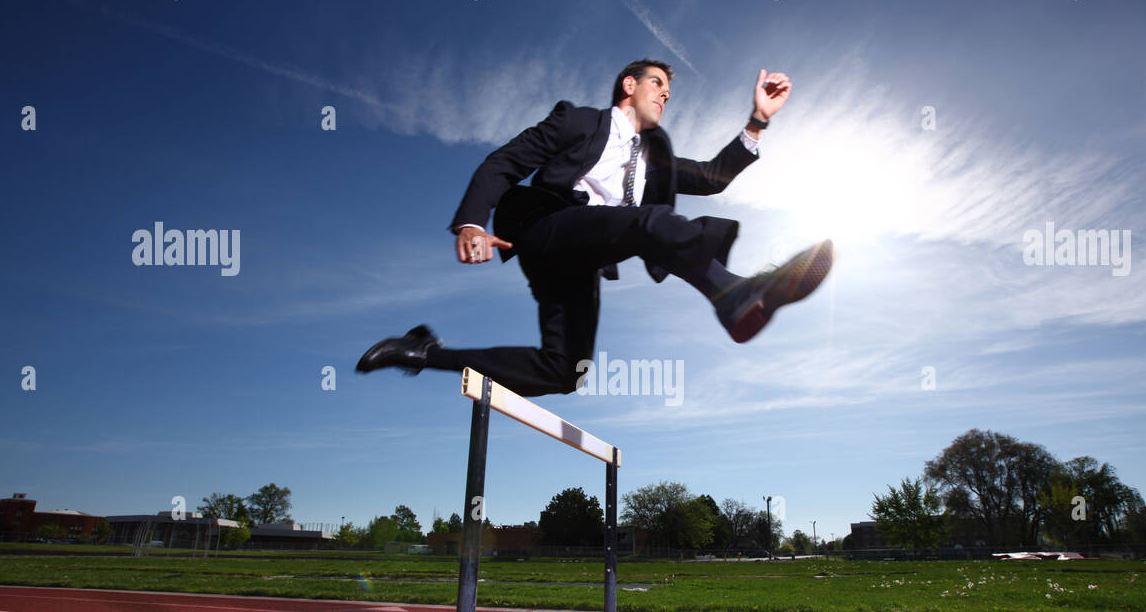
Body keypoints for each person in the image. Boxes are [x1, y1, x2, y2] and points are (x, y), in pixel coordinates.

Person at [357, 59, 833, 397]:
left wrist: (758, 121)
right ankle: (734, 292)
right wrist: (470, 224)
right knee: (651, 223)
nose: (665, 96)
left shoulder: (656, 158)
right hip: (545, 228)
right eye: (658, 85)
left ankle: (423, 352)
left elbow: (712, 177)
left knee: (565, 370)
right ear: (629, 85)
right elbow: (503, 163)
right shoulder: (579, 122)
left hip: (585, 258)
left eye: (669, 93)